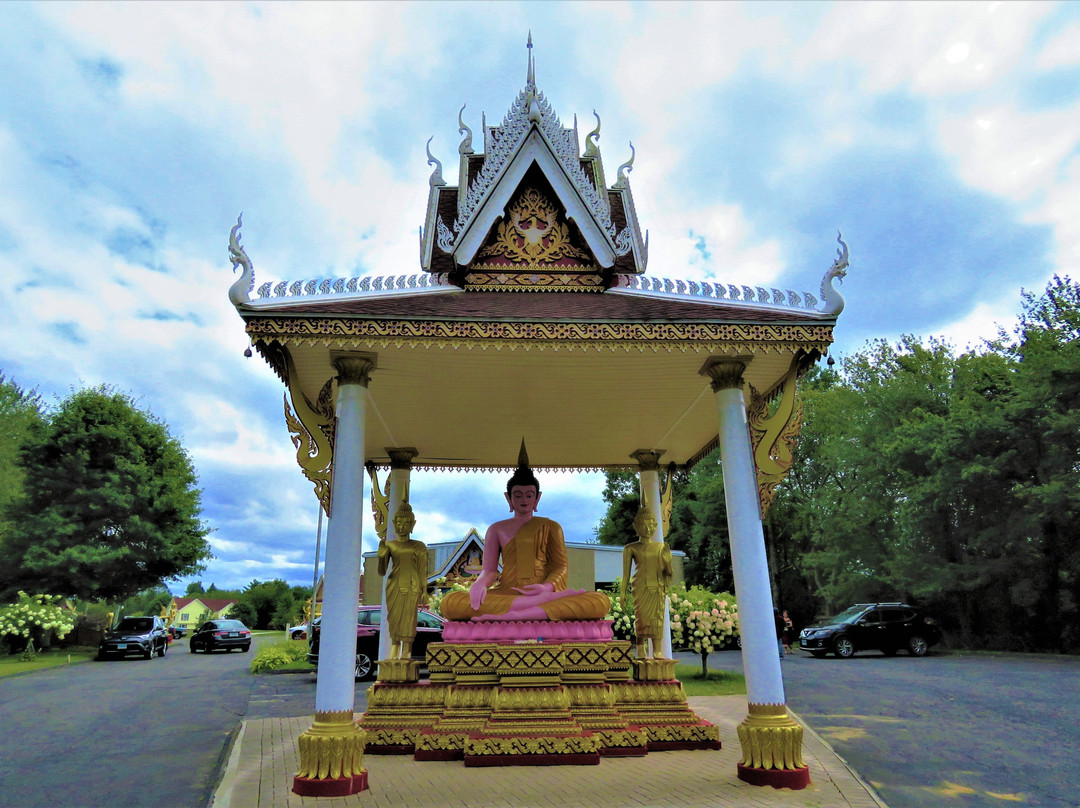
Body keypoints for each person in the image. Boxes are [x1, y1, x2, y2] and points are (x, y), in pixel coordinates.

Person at [440, 442, 609, 622]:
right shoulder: (496, 529)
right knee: (451, 603)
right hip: (508, 594)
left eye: (529, 495)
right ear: (508, 498)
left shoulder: (552, 527)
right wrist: (479, 584)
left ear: (538, 497)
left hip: (542, 591)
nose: (524, 500)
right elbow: (489, 571)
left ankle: (521, 613)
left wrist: (546, 587)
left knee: (599, 601)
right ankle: (537, 607)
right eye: (518, 495)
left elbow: (561, 566)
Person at [378, 501, 429, 659]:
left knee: (408, 618)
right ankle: (394, 647)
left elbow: (422, 571)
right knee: (394, 618)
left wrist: (424, 590)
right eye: (399, 522)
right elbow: (382, 571)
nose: (402, 526)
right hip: (394, 585)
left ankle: (407, 650)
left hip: (413, 586)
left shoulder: (419, 546)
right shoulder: (391, 545)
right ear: (393, 523)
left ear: (413, 524)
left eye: (406, 523)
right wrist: (381, 555)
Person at [620, 507, 673, 659]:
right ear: (636, 526)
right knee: (641, 616)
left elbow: (668, 572)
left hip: (657, 587)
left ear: (656, 526)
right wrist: (623, 593)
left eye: (652, 525)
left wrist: (668, 562)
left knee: (657, 618)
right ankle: (641, 646)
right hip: (640, 585)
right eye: (644, 525)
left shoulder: (661, 547)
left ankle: (657, 650)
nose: (648, 528)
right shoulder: (630, 548)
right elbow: (626, 575)